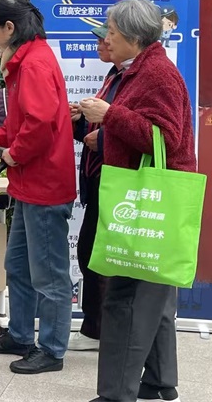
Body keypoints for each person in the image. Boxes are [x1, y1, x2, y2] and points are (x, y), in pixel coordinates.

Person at [80, 0, 194, 402]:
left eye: (111, 31)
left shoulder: (157, 73)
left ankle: (116, 394)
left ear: (133, 36)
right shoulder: (141, 69)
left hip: (148, 201)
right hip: (152, 200)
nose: (106, 38)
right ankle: (160, 381)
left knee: (126, 296)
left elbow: (165, 138)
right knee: (154, 295)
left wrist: (109, 115)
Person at [0, 0, 76, 375]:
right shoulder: (25, 61)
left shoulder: (34, 63)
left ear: (9, 28)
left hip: (44, 185)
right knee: (18, 264)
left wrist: (11, 154)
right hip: (28, 184)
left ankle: (51, 349)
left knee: (49, 274)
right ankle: (20, 334)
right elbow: (20, 120)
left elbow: (38, 127)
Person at [67, 24, 124, 352]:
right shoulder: (114, 75)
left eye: (107, 37)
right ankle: (95, 327)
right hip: (99, 181)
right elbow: (101, 126)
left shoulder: (142, 77)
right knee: (89, 253)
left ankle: (103, 331)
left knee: (101, 258)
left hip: (117, 185)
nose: (102, 43)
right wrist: (81, 122)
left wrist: (101, 139)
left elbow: (149, 133)